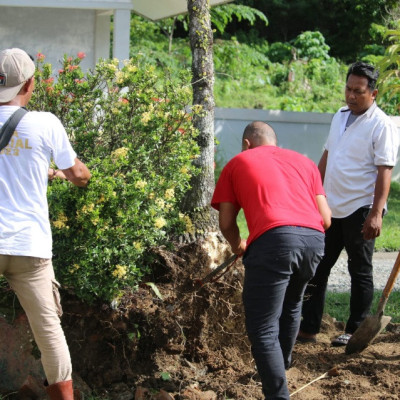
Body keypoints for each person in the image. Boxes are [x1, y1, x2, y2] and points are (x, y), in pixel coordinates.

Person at [211, 121, 331, 400]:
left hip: (275, 241)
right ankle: (281, 364)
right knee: (292, 306)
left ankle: (278, 395)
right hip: (313, 241)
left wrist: (238, 245)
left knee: (262, 326)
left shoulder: (238, 162)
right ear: (275, 142)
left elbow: (227, 222)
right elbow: (326, 219)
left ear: (246, 144)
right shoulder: (305, 163)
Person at [0, 48, 91, 399]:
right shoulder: (45, 123)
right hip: (29, 247)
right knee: (49, 330)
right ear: (30, 83)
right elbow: (79, 175)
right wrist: (79, 175)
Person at [297, 61, 399, 347]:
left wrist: (376, 213)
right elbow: (327, 155)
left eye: (358, 91)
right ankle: (308, 328)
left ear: (374, 93)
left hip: (361, 209)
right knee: (317, 267)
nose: (351, 95)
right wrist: (312, 192)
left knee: (360, 270)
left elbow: (385, 171)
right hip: (330, 207)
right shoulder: (340, 116)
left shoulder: (382, 125)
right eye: (348, 89)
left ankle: (355, 329)